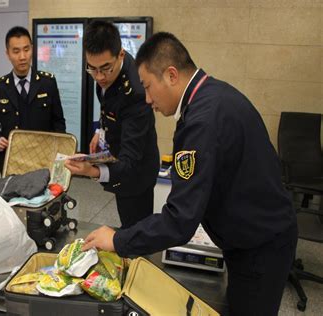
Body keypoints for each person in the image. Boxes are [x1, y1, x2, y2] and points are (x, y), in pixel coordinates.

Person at [82, 32, 298, 316]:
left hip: (259, 244)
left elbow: (180, 220)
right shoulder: (213, 95)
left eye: (148, 87)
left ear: (171, 75)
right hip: (256, 231)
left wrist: (118, 239)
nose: (147, 99)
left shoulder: (201, 123)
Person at [65, 21, 159, 228]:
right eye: (93, 69)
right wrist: (101, 130)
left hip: (137, 174)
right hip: (118, 156)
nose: (99, 77)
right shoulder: (104, 72)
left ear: (121, 55)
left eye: (105, 69)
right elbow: (108, 105)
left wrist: (92, 171)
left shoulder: (136, 94)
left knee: (135, 231)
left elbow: (130, 162)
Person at [0, 26, 66, 174]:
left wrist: (57, 153)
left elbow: (58, 122)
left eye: (26, 49)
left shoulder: (48, 83)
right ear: (8, 54)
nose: (22, 56)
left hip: (43, 160)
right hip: (11, 162)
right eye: (16, 51)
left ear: (32, 49)